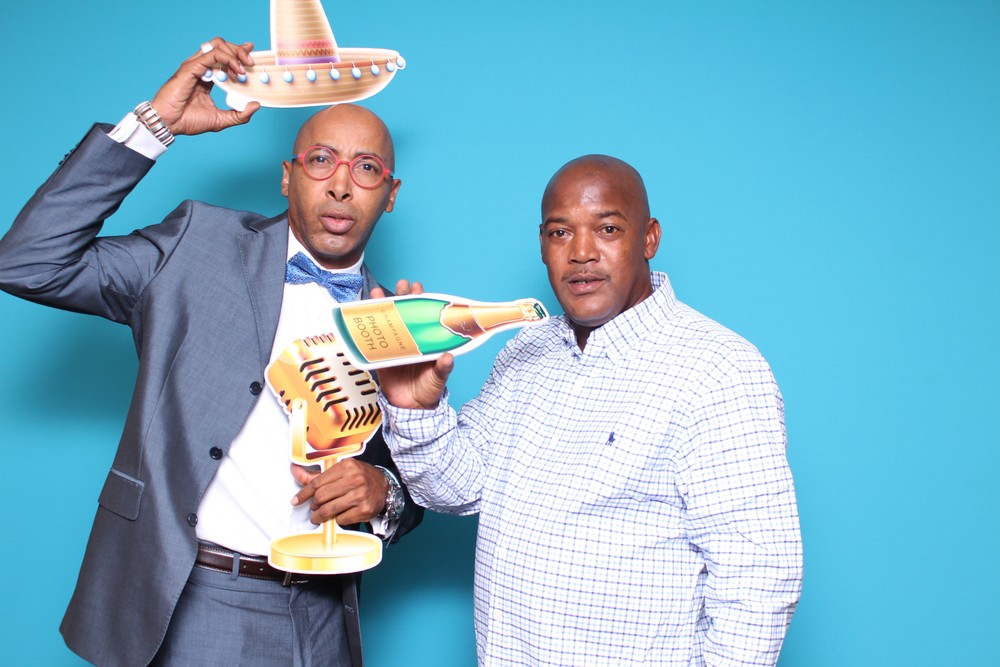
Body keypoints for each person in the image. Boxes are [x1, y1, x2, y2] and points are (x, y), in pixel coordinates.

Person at [0, 39, 423, 667]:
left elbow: (415, 473)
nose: (340, 185)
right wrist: (154, 126)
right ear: (287, 175)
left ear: (389, 193)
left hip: (327, 617)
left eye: (366, 168)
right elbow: (29, 263)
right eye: (320, 160)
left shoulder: (398, 319)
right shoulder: (198, 244)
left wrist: (384, 493)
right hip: (200, 600)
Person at [375, 155, 803, 665]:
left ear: (649, 238)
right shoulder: (526, 350)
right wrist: (415, 409)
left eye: (607, 229)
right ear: (542, 245)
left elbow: (759, 581)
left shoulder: (718, 370)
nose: (581, 252)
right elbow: (459, 487)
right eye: (561, 232)